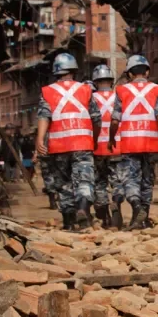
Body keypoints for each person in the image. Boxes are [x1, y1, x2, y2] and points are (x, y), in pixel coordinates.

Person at [36, 52, 101, 232]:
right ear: (74, 71)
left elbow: (44, 116)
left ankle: (68, 221)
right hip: (82, 144)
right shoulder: (86, 89)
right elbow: (96, 118)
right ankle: (82, 209)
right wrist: (94, 139)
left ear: (56, 72)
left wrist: (40, 140)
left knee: (63, 184)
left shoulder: (47, 91)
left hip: (58, 145)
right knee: (84, 179)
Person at [110, 54, 158, 230]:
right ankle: (143, 217)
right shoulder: (157, 90)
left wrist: (111, 137)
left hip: (130, 144)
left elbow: (115, 120)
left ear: (129, 74)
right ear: (147, 71)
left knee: (130, 179)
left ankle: (137, 208)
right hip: (151, 142)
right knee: (147, 179)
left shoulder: (121, 91)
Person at [89, 64, 123, 229]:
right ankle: (117, 205)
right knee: (117, 181)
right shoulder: (119, 96)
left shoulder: (90, 98)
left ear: (95, 82)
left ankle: (105, 218)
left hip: (97, 148)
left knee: (100, 182)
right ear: (111, 81)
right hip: (116, 147)